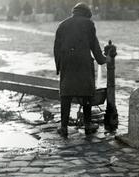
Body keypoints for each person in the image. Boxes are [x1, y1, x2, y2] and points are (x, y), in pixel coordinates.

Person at [54, 2, 108, 138]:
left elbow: (56, 49)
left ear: (74, 12)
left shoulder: (62, 24)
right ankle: (88, 125)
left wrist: (59, 67)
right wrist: (103, 59)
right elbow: (94, 46)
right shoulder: (88, 24)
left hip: (67, 64)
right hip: (83, 63)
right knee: (87, 94)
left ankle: (64, 127)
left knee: (66, 95)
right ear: (87, 13)